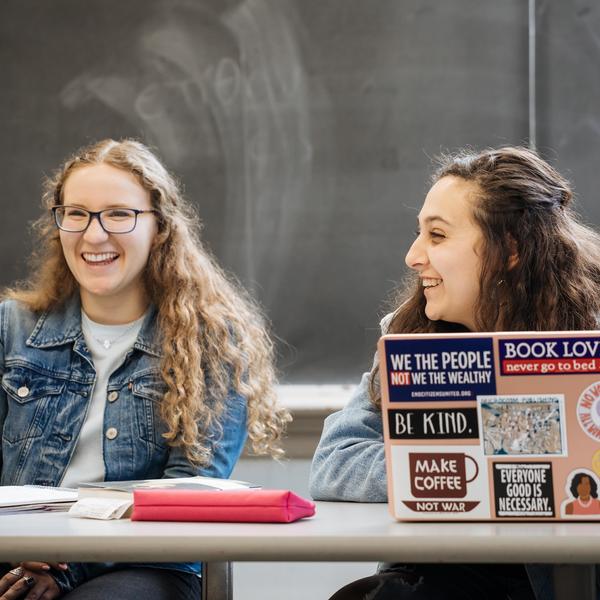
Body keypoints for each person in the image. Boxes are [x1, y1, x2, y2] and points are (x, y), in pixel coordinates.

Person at [0, 139, 290, 599]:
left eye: (119, 214)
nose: (94, 235)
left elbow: (189, 494)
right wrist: (23, 555)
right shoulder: (11, 328)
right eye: (76, 213)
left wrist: (64, 568)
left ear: (160, 227)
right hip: (17, 557)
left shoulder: (210, 340)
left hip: (149, 563)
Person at [309, 146, 600, 600]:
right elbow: (335, 461)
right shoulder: (409, 335)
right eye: (418, 234)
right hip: (441, 576)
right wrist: (464, 470)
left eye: (437, 236)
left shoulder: (589, 334)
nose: (413, 255)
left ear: (511, 250)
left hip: (563, 578)